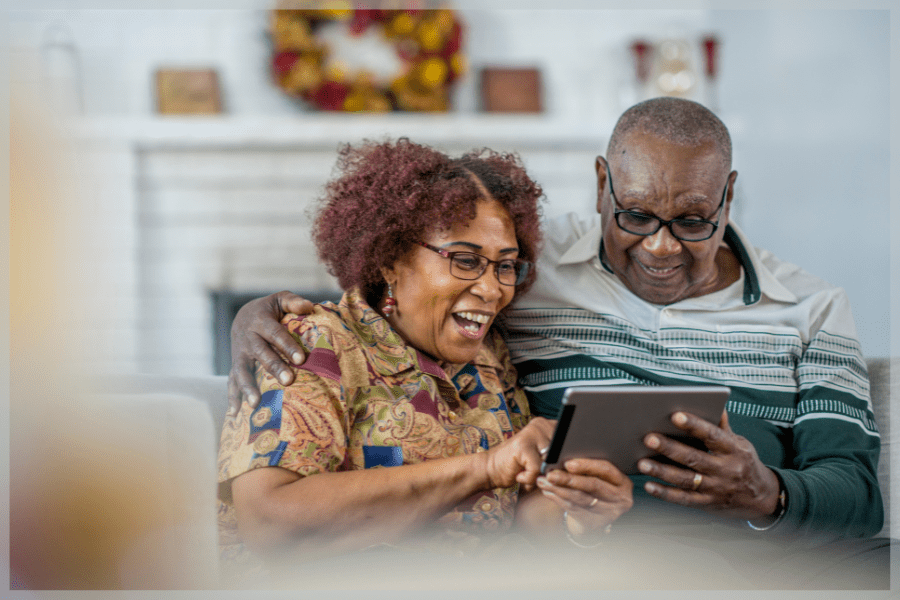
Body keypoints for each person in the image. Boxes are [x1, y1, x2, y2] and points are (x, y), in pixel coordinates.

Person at [227, 100, 889, 588]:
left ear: (728, 198)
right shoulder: (535, 272)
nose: (660, 246)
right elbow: (385, 296)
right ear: (602, 184)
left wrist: (765, 490)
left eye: (692, 220)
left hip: (708, 559)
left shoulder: (812, 308)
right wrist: (254, 316)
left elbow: (858, 496)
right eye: (635, 215)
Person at [217, 139, 634, 582]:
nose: (493, 290)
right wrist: (484, 467)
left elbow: (522, 514)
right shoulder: (317, 345)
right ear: (390, 260)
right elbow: (272, 525)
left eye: (506, 266)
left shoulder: (489, 362)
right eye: (466, 260)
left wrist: (580, 514)